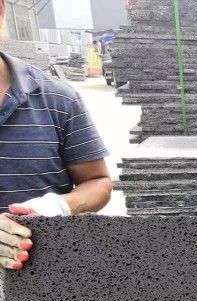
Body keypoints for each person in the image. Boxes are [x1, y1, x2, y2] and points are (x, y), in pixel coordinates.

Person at [0, 0, 111, 271]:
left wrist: (58, 206)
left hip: (42, 277)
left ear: (0, 9)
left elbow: (97, 182)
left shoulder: (58, 99)